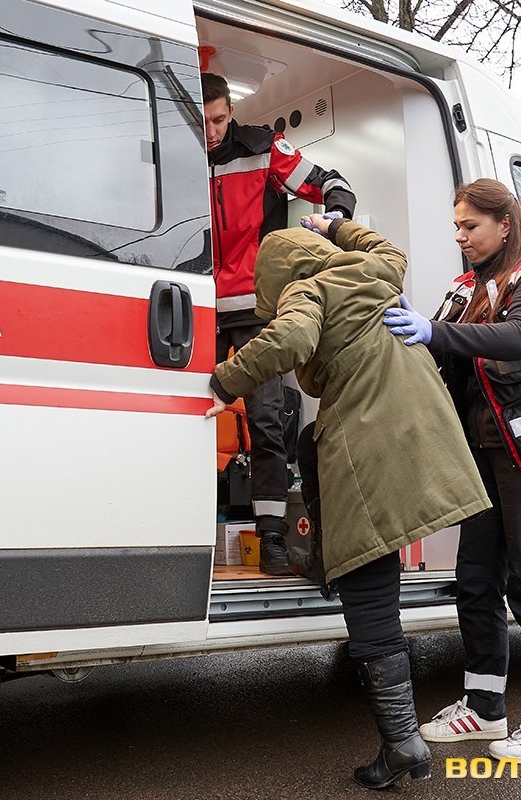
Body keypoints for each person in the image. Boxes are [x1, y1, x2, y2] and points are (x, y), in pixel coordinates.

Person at [206, 216, 490, 788]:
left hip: (369, 442)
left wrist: (222, 383)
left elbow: (289, 340)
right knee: (313, 451)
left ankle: (403, 743)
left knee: (369, 594)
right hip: (423, 432)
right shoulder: (373, 270)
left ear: (279, 277)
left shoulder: (306, 291)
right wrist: (334, 224)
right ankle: (402, 738)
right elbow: (386, 247)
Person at [383, 178, 521, 761]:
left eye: (471, 226)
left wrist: (435, 331)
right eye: (456, 226)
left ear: (504, 224)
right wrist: (416, 326)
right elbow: (437, 342)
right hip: (486, 455)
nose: (461, 236)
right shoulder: (465, 289)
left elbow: (520, 338)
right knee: (476, 582)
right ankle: (484, 708)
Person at [202, 72, 357, 575]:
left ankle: (271, 538)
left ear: (231, 112)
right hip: (195, 308)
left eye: (219, 119)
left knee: (267, 422)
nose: (212, 132)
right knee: (186, 420)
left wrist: (336, 219)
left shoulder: (263, 149)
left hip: (255, 308)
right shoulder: (175, 152)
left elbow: (330, 181)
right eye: (203, 122)